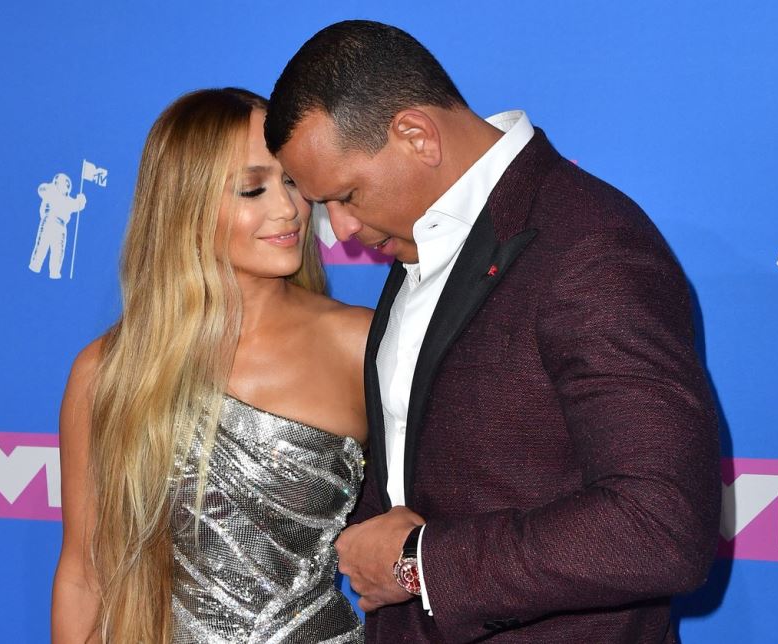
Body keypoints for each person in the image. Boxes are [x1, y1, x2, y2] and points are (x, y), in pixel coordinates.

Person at [265, 20, 721, 643]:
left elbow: (659, 526)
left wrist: (421, 563)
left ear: (417, 136)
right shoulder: (423, 235)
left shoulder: (592, 246)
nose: (339, 230)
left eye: (347, 195)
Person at [51, 88, 371, 643]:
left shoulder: (361, 344)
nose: (288, 209)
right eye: (252, 188)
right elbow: (85, 575)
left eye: (293, 181)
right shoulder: (108, 372)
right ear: (185, 204)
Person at [29, 173, 87, 279]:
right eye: (64, 183)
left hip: (61, 226)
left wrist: (81, 199)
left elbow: (77, 205)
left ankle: (54, 272)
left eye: (68, 184)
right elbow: (41, 189)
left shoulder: (68, 200)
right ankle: (35, 266)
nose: (66, 185)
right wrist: (51, 187)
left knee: (58, 251)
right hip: (48, 221)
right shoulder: (50, 192)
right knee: (42, 245)